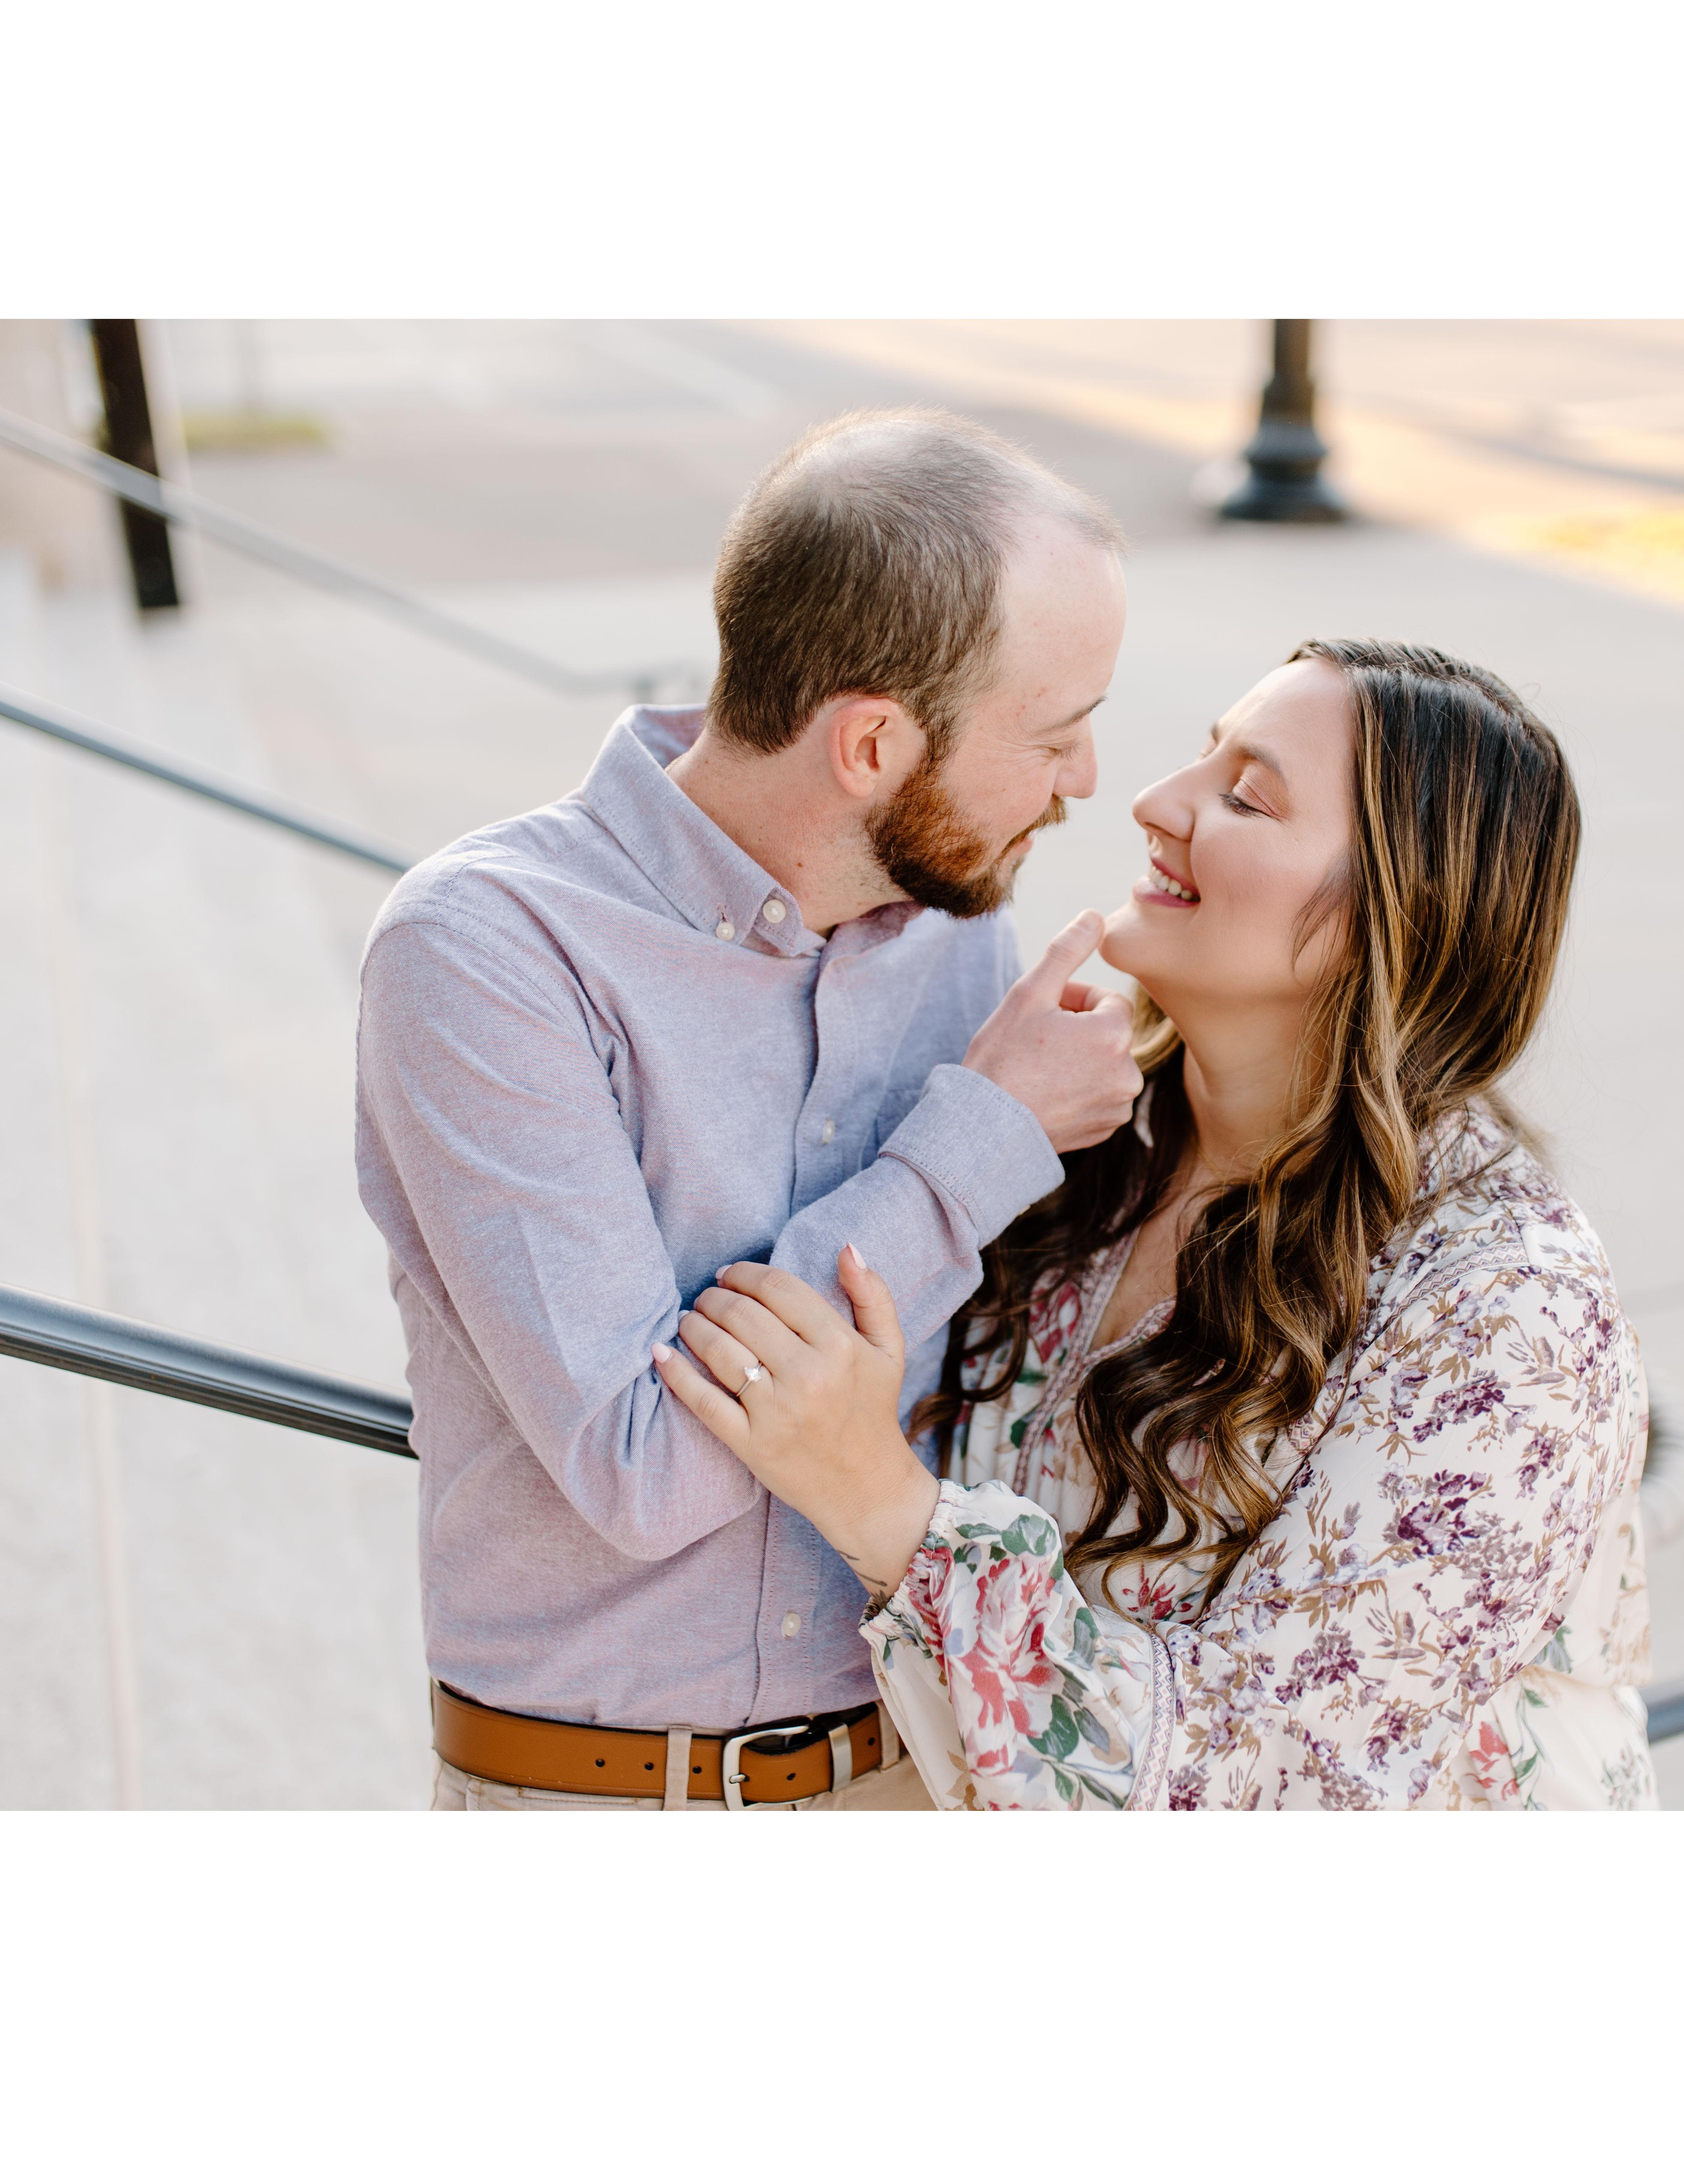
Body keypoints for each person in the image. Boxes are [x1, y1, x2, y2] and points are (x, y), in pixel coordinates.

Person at [662, 639, 1656, 1810]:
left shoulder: (1510, 1313)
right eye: (1203, 759)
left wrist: (880, 1503)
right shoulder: (1083, 1128)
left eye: (1248, 798)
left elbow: (1262, 1785)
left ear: (1394, 913)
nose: (1152, 802)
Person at [355, 409, 1143, 1810]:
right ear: (872, 746)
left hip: (919, 1769)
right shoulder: (488, 952)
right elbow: (645, 1471)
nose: (1085, 779)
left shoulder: (960, 933)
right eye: (1057, 734)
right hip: (600, 1806)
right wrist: (983, 1138)